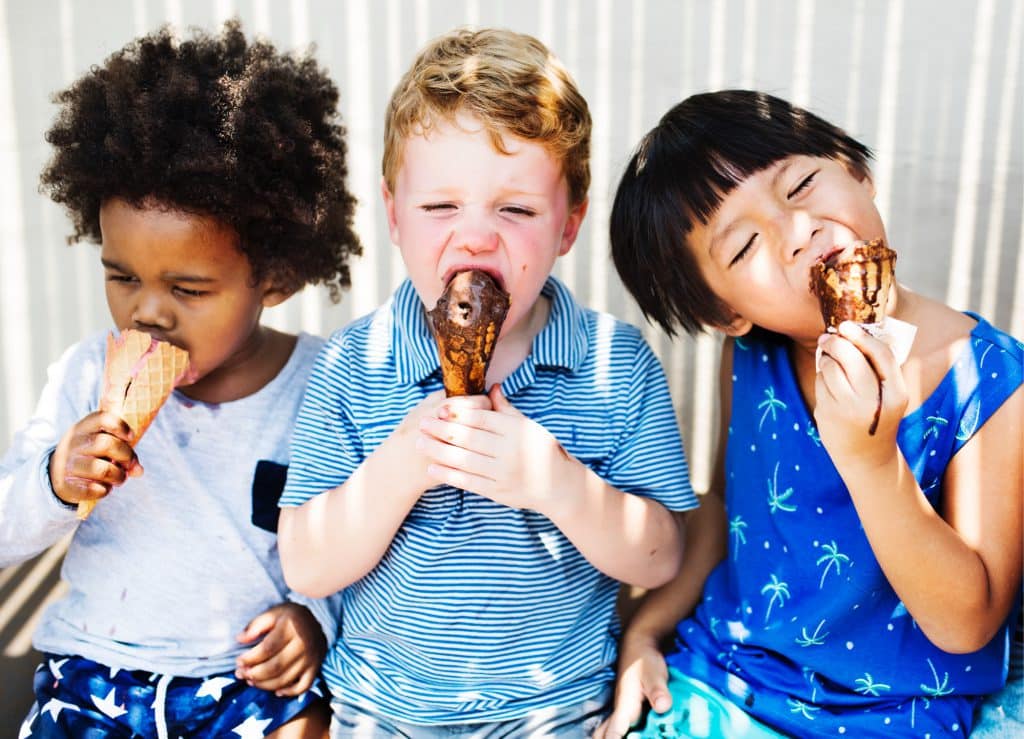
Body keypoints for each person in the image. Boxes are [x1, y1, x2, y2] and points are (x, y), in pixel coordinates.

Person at [277, 27, 702, 736]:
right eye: (440, 207)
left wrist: (561, 484)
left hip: (558, 716)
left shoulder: (616, 366)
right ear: (392, 214)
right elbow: (305, 563)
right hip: (381, 716)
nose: (475, 236)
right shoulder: (353, 364)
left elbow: (661, 555)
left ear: (569, 224)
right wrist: (405, 462)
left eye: (517, 209)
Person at [597, 89, 1024, 738]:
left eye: (800, 184)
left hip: (901, 712)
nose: (798, 232)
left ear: (858, 172)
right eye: (743, 249)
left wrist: (873, 461)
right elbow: (724, 514)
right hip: (729, 678)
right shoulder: (751, 355)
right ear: (725, 313)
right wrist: (646, 631)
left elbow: (969, 620)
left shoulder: (988, 380)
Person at [0, 20, 361, 738]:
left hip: (247, 681)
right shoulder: (82, 374)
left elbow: (361, 540)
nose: (147, 310)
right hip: (94, 668)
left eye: (189, 288)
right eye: (121, 275)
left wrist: (314, 620)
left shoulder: (326, 386)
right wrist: (54, 477)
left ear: (277, 277)